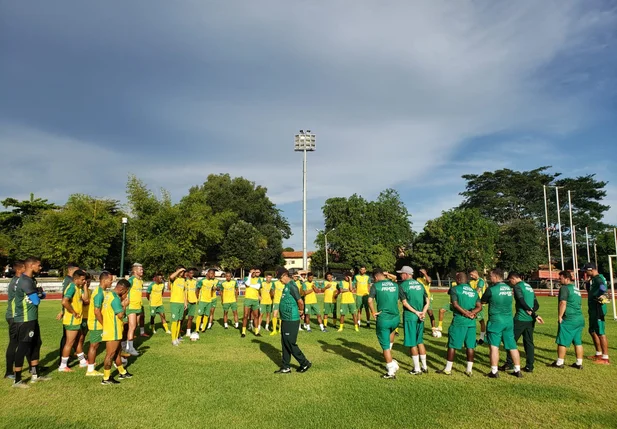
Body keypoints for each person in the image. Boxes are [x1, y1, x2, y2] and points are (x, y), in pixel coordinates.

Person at [12, 257, 51, 388]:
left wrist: (40, 294)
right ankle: (17, 380)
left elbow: (42, 294)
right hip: (25, 319)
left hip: (32, 318)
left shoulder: (31, 280)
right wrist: (39, 294)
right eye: (39, 266)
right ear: (31, 265)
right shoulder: (25, 281)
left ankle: (35, 374)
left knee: (36, 343)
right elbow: (36, 300)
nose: (40, 268)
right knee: (23, 347)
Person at [437, 272, 482, 377]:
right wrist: (472, 313)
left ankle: (448, 369)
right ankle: (469, 370)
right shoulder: (474, 291)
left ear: (458, 279)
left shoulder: (455, 289)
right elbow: (479, 307)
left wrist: (466, 313)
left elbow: (455, 304)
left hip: (459, 321)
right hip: (471, 323)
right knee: (470, 346)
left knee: (452, 345)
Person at [481, 269, 523, 378]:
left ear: (495, 277)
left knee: (494, 346)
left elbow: (483, 301)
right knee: (512, 346)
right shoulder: (509, 288)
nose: (490, 278)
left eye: (490, 276)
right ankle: (517, 370)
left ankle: (494, 371)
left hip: (496, 321)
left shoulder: (491, 289)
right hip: (508, 321)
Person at [503, 273, 544, 372]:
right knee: (529, 343)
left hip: (520, 319)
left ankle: (509, 363)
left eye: (510, 281)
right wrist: (532, 312)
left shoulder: (517, 287)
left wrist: (531, 313)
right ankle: (529, 366)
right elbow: (536, 304)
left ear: (513, 278)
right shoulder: (528, 286)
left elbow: (521, 301)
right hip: (530, 320)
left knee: (511, 341)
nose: (511, 283)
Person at [273, 268, 311, 374]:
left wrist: (301, 311)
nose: (280, 280)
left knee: (290, 342)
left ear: (285, 275)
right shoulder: (285, 286)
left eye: (280, 278)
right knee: (284, 342)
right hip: (285, 319)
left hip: (291, 319)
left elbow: (300, 301)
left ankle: (304, 362)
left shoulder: (292, 286)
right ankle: (286, 366)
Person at [368, 269, 401, 379]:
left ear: (376, 277)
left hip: (384, 318)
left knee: (385, 346)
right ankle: (390, 358)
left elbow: (369, 300)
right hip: (395, 317)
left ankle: (391, 370)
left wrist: (373, 312)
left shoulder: (375, 286)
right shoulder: (395, 285)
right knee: (391, 332)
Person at [397, 266, 429, 375]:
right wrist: (423, 312)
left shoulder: (402, 286)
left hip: (411, 316)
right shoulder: (420, 284)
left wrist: (416, 312)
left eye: (402, 273)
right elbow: (427, 301)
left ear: (406, 274)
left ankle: (417, 369)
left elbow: (405, 303)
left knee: (412, 342)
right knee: (420, 341)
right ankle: (424, 366)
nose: (400, 275)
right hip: (421, 316)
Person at [550, 271, 585, 369]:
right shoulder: (576, 289)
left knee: (562, 341)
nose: (559, 279)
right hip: (579, 318)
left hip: (569, 318)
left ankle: (559, 362)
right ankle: (579, 363)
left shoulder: (564, 288)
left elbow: (563, 303)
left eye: (560, 278)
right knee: (577, 341)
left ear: (567, 278)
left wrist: (560, 316)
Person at [101, 279, 132, 384]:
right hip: (113, 329)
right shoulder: (115, 299)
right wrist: (124, 305)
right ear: (122, 289)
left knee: (117, 352)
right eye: (126, 291)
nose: (126, 293)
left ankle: (122, 372)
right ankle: (106, 378)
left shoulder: (109, 295)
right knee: (110, 354)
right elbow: (120, 315)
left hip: (111, 328)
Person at [59, 269, 89, 372]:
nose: (84, 281)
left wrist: (84, 286)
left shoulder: (78, 287)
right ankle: (63, 366)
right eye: (82, 280)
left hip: (77, 320)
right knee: (69, 342)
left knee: (77, 341)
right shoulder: (72, 287)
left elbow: (85, 299)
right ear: (76, 279)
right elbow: (64, 302)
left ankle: (82, 361)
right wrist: (73, 312)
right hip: (72, 320)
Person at [85, 271, 112, 376]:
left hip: (100, 323)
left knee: (101, 344)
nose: (111, 283)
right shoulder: (99, 293)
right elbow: (96, 311)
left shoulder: (102, 291)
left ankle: (117, 359)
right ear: (104, 280)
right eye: (110, 280)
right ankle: (90, 369)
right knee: (94, 345)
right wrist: (104, 324)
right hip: (97, 324)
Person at [583, 263, 610, 365]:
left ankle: (605, 358)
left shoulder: (598, 278)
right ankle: (598, 353)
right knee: (592, 330)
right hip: (593, 309)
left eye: (586, 271)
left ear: (591, 270)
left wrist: (599, 296)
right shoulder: (594, 279)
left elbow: (603, 289)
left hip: (598, 309)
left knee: (600, 332)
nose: (585, 273)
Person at [4, 260, 24, 379]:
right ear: (18, 269)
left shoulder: (20, 281)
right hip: (14, 316)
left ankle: (34, 366)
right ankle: (9, 372)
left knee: (26, 342)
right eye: (24, 267)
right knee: (14, 343)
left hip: (19, 316)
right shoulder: (17, 282)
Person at [56, 262, 79, 366]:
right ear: (71, 270)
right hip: (69, 313)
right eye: (76, 271)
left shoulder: (68, 280)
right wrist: (65, 310)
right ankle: (63, 359)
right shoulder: (70, 282)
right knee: (67, 337)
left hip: (67, 311)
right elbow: (65, 299)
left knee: (68, 337)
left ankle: (68, 355)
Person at [125, 263, 147, 357]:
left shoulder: (140, 281)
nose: (142, 271)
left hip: (138, 306)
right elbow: (124, 291)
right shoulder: (131, 280)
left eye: (142, 269)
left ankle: (127, 345)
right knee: (132, 326)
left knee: (135, 326)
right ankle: (130, 348)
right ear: (135, 271)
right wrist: (125, 303)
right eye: (140, 270)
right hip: (131, 306)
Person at [169, 266, 188, 346]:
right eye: (180, 271)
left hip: (181, 303)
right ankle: (173, 339)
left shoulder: (183, 280)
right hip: (174, 302)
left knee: (179, 321)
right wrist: (180, 270)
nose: (182, 273)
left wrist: (185, 302)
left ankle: (177, 337)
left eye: (183, 271)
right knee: (175, 321)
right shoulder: (174, 279)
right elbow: (171, 277)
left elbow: (184, 292)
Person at [242, 268, 262, 338]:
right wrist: (250, 275)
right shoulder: (247, 278)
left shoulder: (258, 279)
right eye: (252, 272)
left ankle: (256, 332)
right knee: (245, 315)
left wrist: (251, 285)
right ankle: (243, 332)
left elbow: (258, 287)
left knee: (256, 315)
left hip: (255, 299)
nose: (254, 273)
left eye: (255, 272)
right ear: (250, 273)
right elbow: (247, 284)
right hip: (248, 299)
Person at [469, 269, 488, 344]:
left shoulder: (481, 281)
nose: (470, 276)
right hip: (472, 304)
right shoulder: (470, 282)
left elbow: (477, 291)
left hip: (479, 304)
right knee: (471, 319)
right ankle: (471, 338)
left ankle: (482, 338)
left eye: (472, 274)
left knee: (481, 320)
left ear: (475, 273)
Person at [415, 269, 436, 333]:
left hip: (427, 299)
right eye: (420, 272)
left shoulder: (428, 277)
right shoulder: (418, 279)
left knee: (430, 314)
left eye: (422, 272)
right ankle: (420, 328)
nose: (420, 273)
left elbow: (429, 281)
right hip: (420, 299)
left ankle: (433, 329)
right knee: (420, 314)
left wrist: (425, 274)